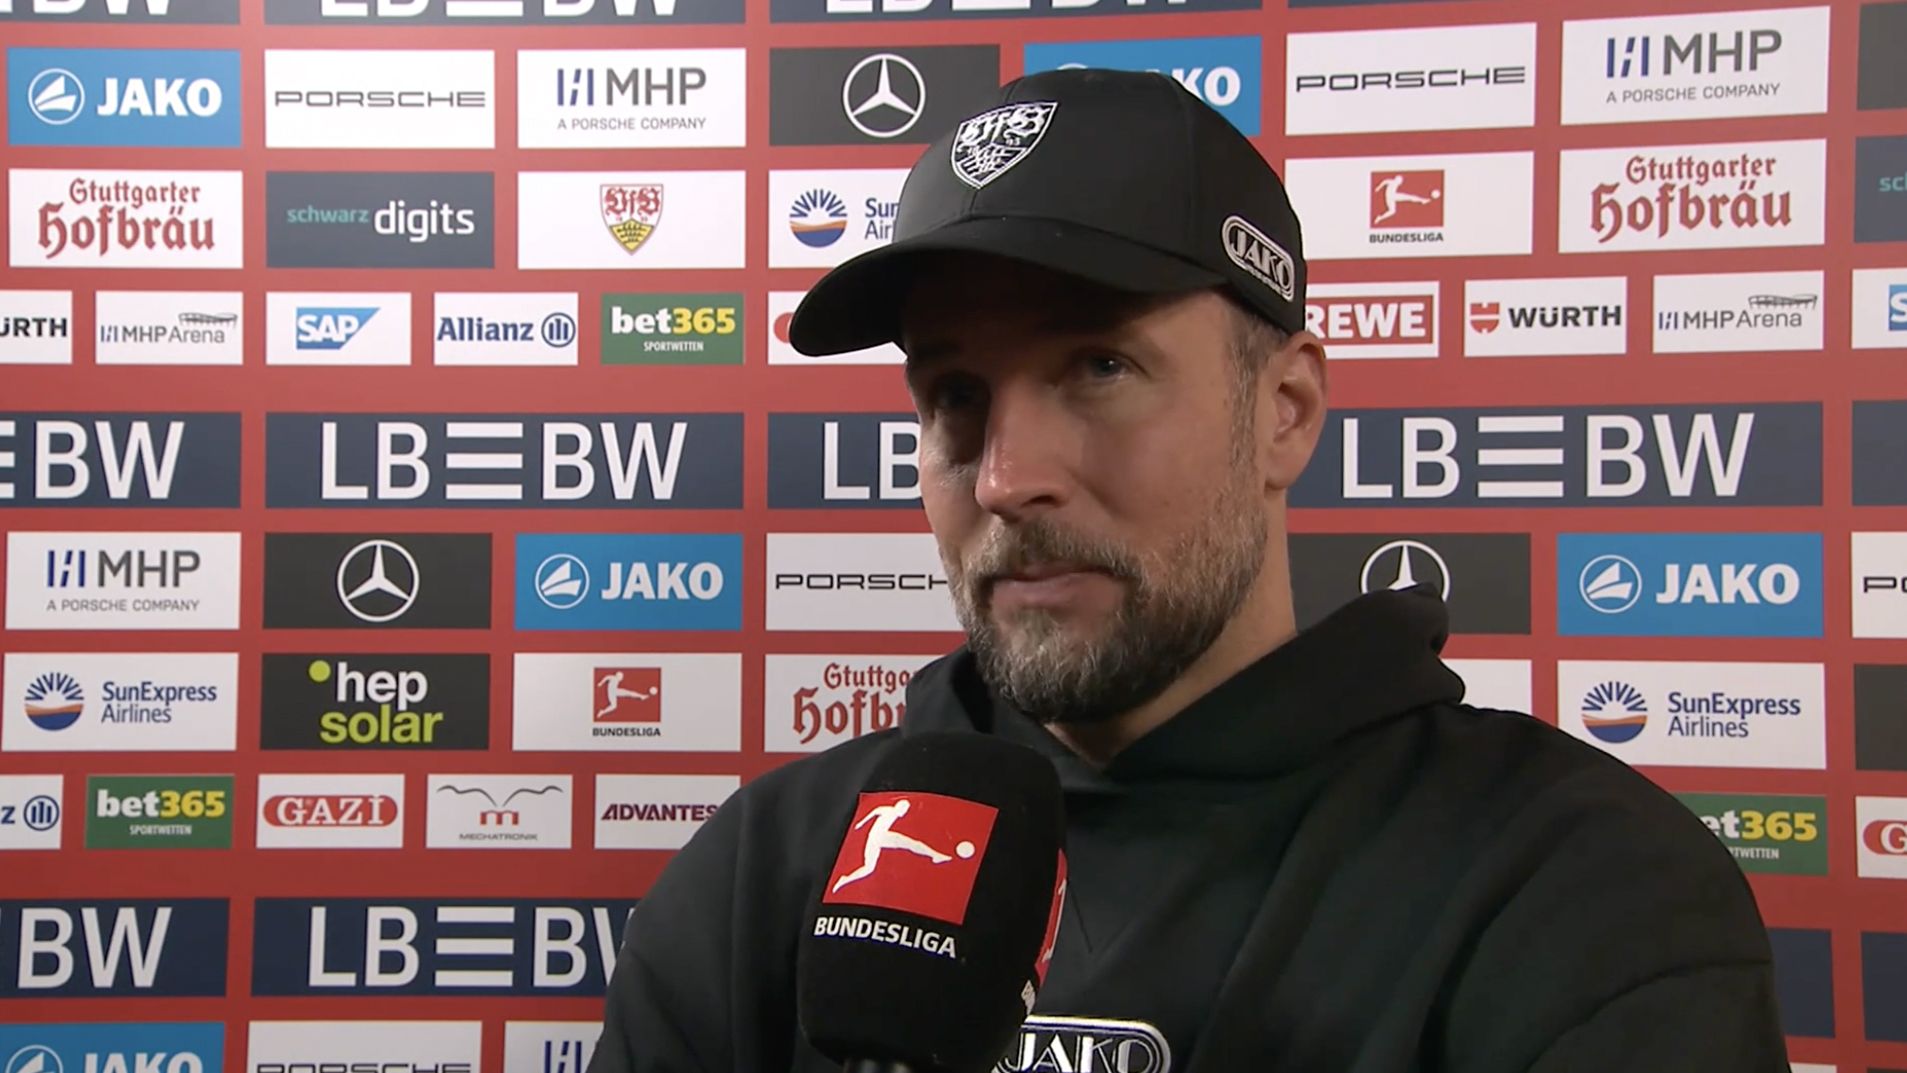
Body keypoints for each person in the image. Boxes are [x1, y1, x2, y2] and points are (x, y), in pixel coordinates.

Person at [585, 67, 1792, 1073]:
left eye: (1098, 367)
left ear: (1285, 410)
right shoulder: (763, 872)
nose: (1005, 475)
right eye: (954, 392)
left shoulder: (1574, 887)